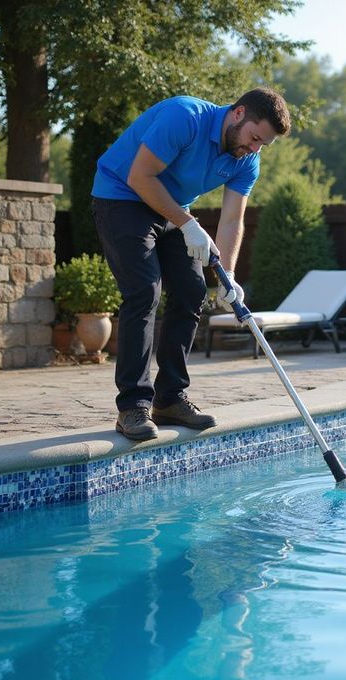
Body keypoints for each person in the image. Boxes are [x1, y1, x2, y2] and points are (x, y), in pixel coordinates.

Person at [91, 88, 291, 441]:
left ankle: (169, 398)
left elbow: (232, 221)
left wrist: (227, 275)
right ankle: (133, 407)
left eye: (264, 144)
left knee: (192, 290)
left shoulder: (247, 160)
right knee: (144, 291)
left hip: (171, 208)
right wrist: (187, 224)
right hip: (121, 197)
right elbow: (140, 177)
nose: (255, 148)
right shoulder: (184, 117)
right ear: (238, 113)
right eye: (255, 137)